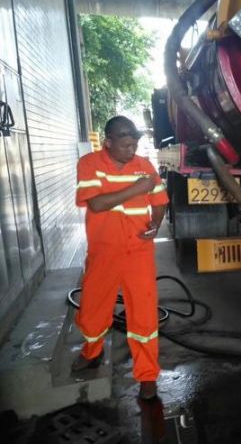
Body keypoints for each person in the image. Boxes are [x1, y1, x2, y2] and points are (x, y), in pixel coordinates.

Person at [72, 116, 169, 400]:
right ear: (109, 141)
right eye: (125, 142)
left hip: (138, 253)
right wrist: (137, 189)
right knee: (92, 308)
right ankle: (92, 352)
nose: (132, 147)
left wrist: (156, 224)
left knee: (144, 316)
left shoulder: (144, 166)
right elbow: (97, 203)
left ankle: (147, 375)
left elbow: (160, 201)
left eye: (135, 142)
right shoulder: (89, 164)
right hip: (104, 253)